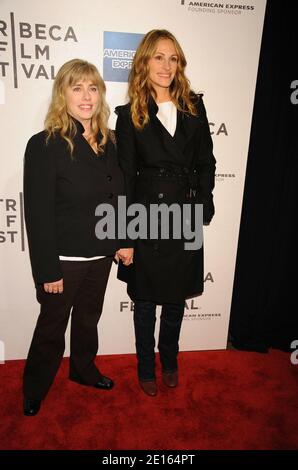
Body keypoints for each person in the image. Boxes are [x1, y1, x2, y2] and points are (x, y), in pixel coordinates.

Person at [23, 59, 133, 416]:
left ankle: (83, 371)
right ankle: (35, 388)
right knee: (52, 328)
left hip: (100, 255)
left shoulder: (110, 142)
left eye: (93, 88)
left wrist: (123, 239)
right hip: (64, 261)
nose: (86, 96)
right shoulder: (44, 144)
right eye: (77, 88)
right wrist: (47, 270)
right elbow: (37, 214)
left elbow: (117, 196)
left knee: (88, 320)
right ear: (63, 95)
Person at [115, 29, 216, 396]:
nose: (166, 65)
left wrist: (204, 203)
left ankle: (169, 360)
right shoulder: (129, 115)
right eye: (159, 56)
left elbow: (206, 160)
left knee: (175, 299)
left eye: (173, 58)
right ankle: (145, 367)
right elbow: (125, 177)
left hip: (185, 212)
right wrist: (124, 236)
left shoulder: (194, 105)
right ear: (145, 61)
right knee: (144, 301)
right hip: (146, 216)